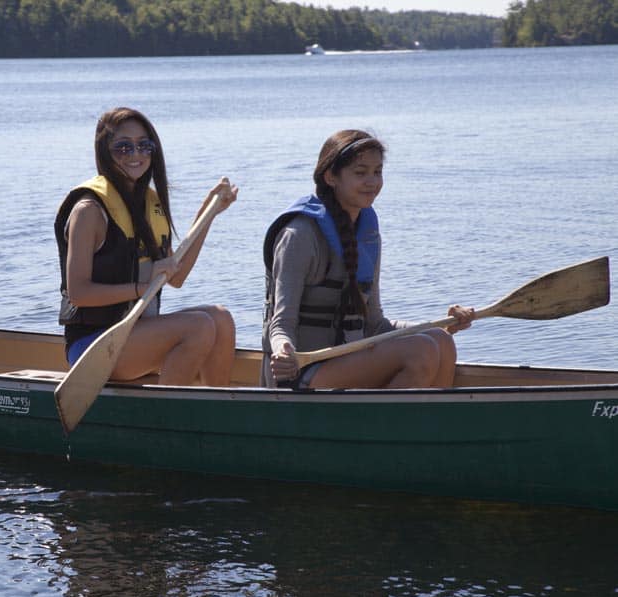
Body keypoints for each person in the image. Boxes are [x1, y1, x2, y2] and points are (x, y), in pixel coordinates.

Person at [262, 129, 474, 389]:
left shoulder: (366, 232)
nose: (372, 182)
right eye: (360, 173)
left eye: (377, 172)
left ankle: (427, 426)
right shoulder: (300, 235)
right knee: (420, 350)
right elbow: (281, 324)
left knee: (440, 340)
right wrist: (283, 350)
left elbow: (375, 324)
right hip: (300, 370)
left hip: (347, 359)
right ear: (331, 177)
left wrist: (444, 324)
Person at [55, 107, 238, 386]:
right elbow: (79, 293)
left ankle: (221, 414)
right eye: (123, 147)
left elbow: (175, 277)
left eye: (144, 145)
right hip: (92, 345)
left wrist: (208, 213)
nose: (136, 155)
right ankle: (166, 420)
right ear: (105, 152)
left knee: (221, 319)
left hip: (138, 334)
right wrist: (142, 287)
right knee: (199, 327)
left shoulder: (148, 204)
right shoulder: (89, 211)